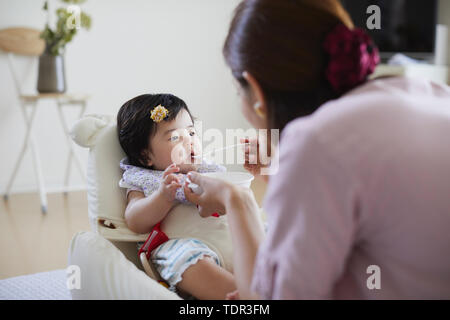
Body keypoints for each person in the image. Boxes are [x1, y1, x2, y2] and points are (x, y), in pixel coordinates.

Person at [183, 0, 450, 299]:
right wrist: (283, 174)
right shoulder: (430, 93)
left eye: (237, 92)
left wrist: (235, 199)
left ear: (255, 90)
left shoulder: (317, 141)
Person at [117, 93, 237, 299]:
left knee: (272, 231)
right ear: (146, 156)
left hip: (231, 240)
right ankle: (245, 297)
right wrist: (163, 196)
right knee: (187, 260)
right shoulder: (145, 180)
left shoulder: (208, 171)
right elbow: (134, 220)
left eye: (191, 133)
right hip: (186, 245)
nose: (190, 142)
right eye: (175, 137)